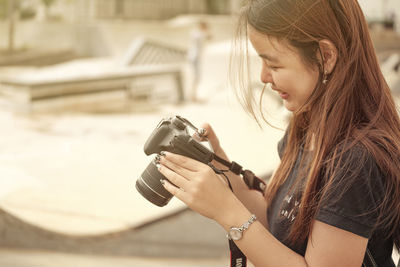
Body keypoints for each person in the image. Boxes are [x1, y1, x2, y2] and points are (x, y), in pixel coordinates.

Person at [157, 0, 400, 266]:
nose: (263, 77)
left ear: (325, 56)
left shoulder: (355, 159)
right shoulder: (307, 130)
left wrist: (226, 211)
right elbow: (278, 228)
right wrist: (222, 171)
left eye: (273, 65)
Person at [187, 21, 211, 102]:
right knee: (196, 77)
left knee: (196, 77)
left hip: (194, 57)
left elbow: (208, 37)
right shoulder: (197, 33)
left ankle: (193, 95)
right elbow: (207, 36)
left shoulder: (196, 33)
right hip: (194, 57)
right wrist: (206, 32)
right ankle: (192, 96)